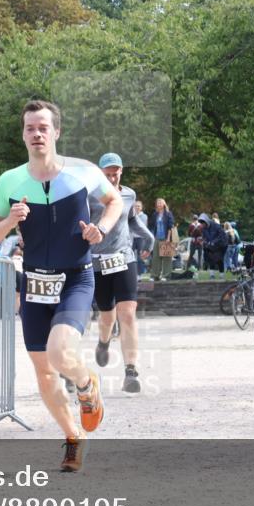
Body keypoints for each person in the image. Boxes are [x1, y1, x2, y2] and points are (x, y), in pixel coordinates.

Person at [0, 100, 121, 472]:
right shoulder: (9, 181)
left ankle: (86, 383)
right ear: (23, 134)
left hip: (75, 276)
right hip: (34, 283)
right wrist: (10, 220)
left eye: (43, 127)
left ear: (56, 132)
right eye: (30, 128)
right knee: (43, 371)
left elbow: (114, 202)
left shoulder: (83, 172)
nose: (37, 134)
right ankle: (74, 437)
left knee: (61, 354)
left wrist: (101, 229)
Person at [88, 153, 154, 393]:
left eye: (116, 172)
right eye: (108, 173)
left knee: (127, 314)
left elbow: (132, 222)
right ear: (100, 173)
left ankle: (131, 371)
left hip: (124, 259)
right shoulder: (89, 196)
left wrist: (148, 238)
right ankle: (104, 342)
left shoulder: (129, 195)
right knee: (107, 317)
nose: (112, 176)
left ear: (121, 172)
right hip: (97, 262)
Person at [148, 199, 176, 281]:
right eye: (157, 203)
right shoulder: (155, 214)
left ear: (164, 204)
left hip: (166, 237)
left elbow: (171, 226)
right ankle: (155, 275)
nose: (159, 204)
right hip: (157, 237)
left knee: (167, 257)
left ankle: (166, 275)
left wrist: (168, 238)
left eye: (160, 202)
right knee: (156, 257)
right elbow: (152, 226)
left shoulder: (168, 213)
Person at [133, 201, 150, 275]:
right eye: (136, 206)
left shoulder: (144, 216)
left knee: (141, 256)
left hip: (141, 238)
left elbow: (140, 226)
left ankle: (141, 273)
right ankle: (133, 273)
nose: (137, 207)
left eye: (139, 206)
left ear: (141, 207)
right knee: (130, 256)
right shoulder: (131, 215)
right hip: (132, 238)